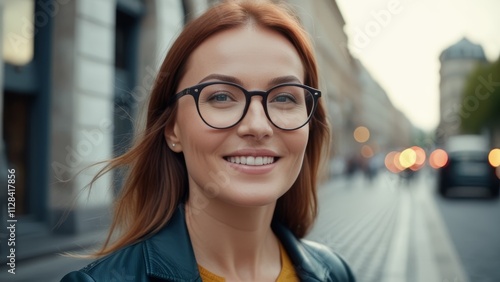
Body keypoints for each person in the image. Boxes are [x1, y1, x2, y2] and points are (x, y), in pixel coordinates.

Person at [61, 0, 355, 281]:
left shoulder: (334, 273)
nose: (257, 125)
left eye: (284, 97)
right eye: (221, 96)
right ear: (172, 128)